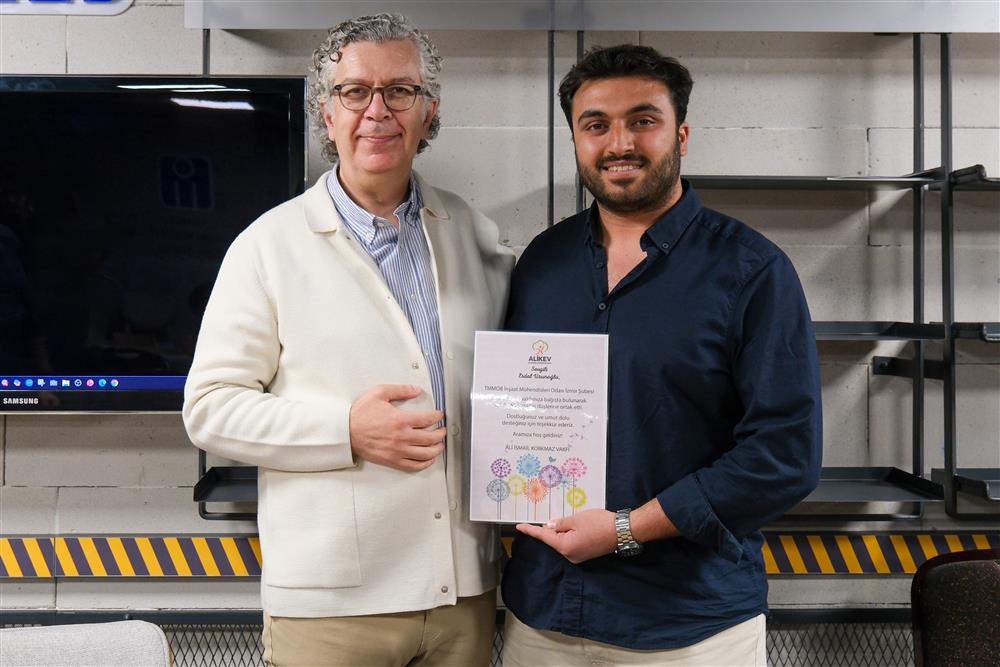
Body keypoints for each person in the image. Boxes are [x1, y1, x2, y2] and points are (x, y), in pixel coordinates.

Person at [183, 14, 513, 667]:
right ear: (325, 113)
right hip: (330, 610)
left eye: (401, 91)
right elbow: (209, 408)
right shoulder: (267, 247)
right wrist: (347, 430)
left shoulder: (474, 232)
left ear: (429, 111)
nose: (377, 111)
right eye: (355, 91)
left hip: (463, 598)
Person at [501, 44, 822, 666]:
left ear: (681, 134)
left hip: (689, 627)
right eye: (596, 125)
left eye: (642, 121)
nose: (619, 142)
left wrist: (626, 528)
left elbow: (784, 455)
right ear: (576, 140)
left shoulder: (752, 271)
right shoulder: (542, 263)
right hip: (544, 616)